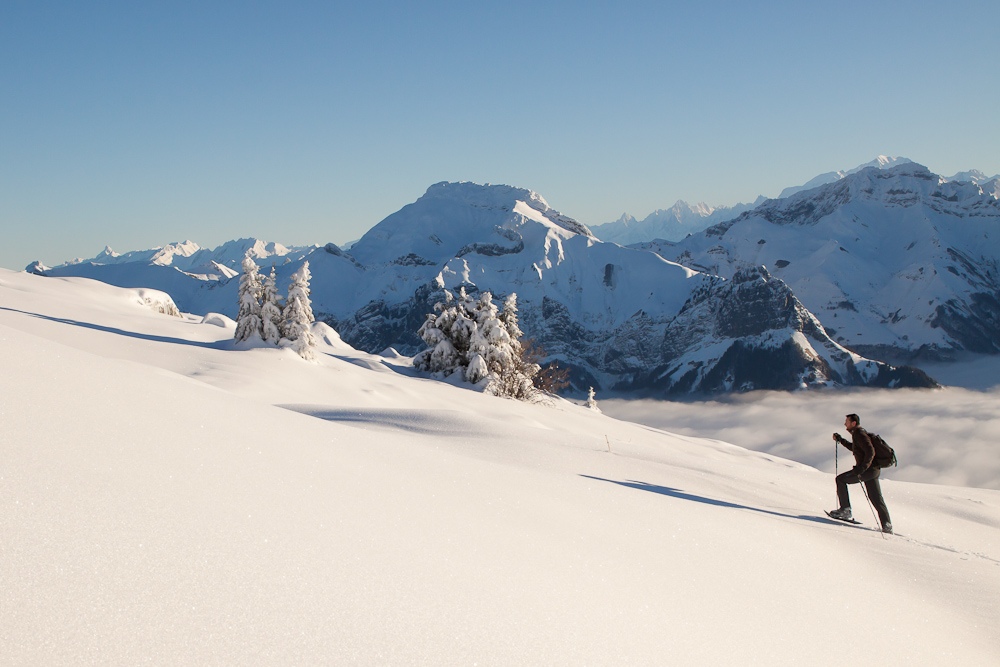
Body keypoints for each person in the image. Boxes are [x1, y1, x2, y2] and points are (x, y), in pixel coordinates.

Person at [830, 413, 893, 534]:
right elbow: (856, 448)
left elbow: (870, 451)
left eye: (846, 422)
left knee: (840, 480)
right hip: (873, 471)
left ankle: (845, 510)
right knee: (876, 498)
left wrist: (862, 468)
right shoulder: (858, 434)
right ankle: (887, 524)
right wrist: (841, 440)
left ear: (853, 423)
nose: (845, 424)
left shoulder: (859, 434)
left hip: (867, 471)